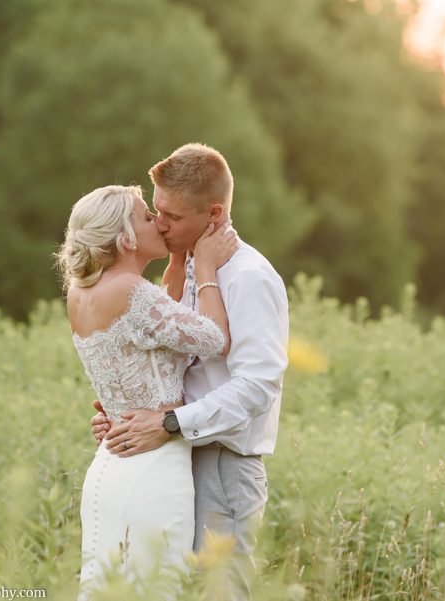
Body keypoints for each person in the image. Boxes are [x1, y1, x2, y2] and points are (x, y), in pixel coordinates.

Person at [90, 143, 289, 600]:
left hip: (223, 465)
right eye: (156, 212)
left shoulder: (249, 277)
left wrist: (169, 424)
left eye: (172, 217)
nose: (159, 225)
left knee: (216, 592)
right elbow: (172, 366)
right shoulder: (185, 271)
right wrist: (124, 416)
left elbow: (258, 386)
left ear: (214, 214)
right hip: (174, 457)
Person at [55, 184, 240, 598]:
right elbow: (212, 339)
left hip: (111, 462)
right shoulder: (130, 292)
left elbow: (156, 322)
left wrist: (177, 257)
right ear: (125, 238)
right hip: (153, 465)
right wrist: (205, 268)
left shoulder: (81, 294)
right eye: (145, 216)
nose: (157, 221)